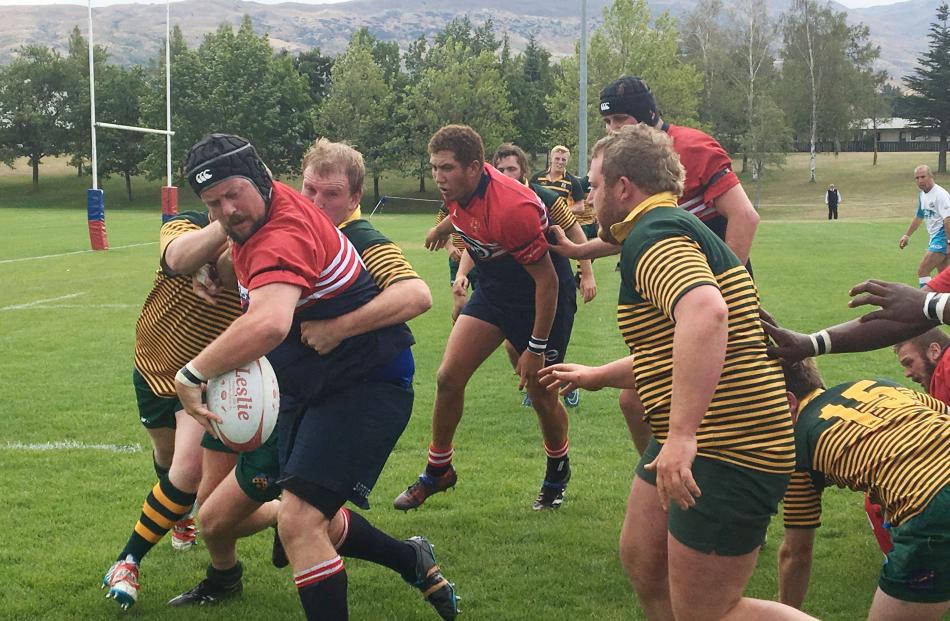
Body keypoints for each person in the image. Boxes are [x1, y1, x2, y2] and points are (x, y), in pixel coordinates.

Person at [113, 133, 458, 620]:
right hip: (299, 388)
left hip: (363, 384)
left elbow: (273, 320)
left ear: (260, 181)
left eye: (234, 194)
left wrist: (192, 374)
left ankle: (385, 555)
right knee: (216, 520)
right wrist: (221, 265)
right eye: (214, 203)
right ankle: (410, 557)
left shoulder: (295, 230)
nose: (228, 210)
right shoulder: (258, 219)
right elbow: (192, 261)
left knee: (297, 522)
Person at [539, 124, 809, 621]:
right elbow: (675, 350)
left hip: (731, 445)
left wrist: (683, 436)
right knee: (644, 559)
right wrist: (599, 375)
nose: (586, 200)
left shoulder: (655, 232)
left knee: (710, 612)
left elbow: (706, 314)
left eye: (593, 187)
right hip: (698, 439)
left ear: (624, 188)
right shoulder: (664, 226)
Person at [552, 75, 760, 455]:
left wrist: (719, 287)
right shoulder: (630, 177)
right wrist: (576, 251)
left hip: (702, 294)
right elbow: (628, 233)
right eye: (607, 123)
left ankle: (690, 467)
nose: (612, 130)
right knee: (634, 401)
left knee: (714, 403)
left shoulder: (693, 146)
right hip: (678, 294)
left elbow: (744, 217)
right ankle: (664, 475)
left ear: (647, 118)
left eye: (620, 121)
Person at [394, 125, 577, 512]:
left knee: (541, 395)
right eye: (434, 167)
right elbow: (465, 214)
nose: (438, 178)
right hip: (495, 289)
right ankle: (438, 469)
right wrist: (442, 227)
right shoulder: (460, 190)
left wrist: (536, 348)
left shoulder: (512, 208)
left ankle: (557, 468)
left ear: (475, 168)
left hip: (540, 296)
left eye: (446, 168)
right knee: (448, 377)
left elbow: (547, 283)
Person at [101, 206, 243, 609]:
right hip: (151, 367)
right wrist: (216, 240)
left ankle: (127, 561)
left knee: (187, 471)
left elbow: (236, 271)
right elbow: (179, 255)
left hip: (199, 381)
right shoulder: (183, 224)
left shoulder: (259, 250)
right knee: (165, 456)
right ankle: (178, 518)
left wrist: (227, 256)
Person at [777, 358, 950, 620]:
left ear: (788, 402)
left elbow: (795, 553)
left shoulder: (798, 446)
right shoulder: (877, 384)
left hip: (933, 506)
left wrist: (783, 613)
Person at [486, 142, 595, 409]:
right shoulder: (490, 201)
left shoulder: (544, 198)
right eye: (500, 169)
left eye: (511, 168)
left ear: (523, 169)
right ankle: (533, 384)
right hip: (520, 288)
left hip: (555, 282)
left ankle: (563, 387)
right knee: (513, 346)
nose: (506, 174)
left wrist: (587, 273)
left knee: (550, 355)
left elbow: (575, 232)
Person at [898, 165, 950, 287]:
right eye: (917, 178)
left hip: (942, 237)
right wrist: (907, 235)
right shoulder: (922, 195)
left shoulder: (940, 194)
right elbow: (919, 216)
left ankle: (923, 302)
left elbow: (948, 220)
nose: (920, 180)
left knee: (923, 269)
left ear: (931, 176)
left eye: (923, 177)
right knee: (944, 276)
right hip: (935, 237)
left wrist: (949, 242)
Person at [530, 145, 591, 237]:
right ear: (551, 158)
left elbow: (580, 207)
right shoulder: (537, 177)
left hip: (561, 227)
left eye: (563, 160)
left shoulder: (572, 181)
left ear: (567, 161)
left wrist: (560, 211)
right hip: (539, 223)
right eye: (557, 158)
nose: (560, 162)